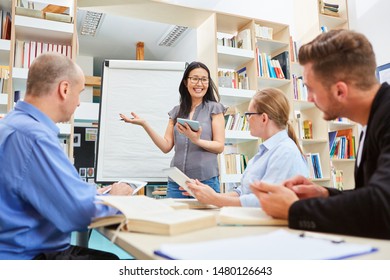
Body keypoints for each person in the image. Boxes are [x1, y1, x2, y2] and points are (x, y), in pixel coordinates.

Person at [251, 29, 390, 239]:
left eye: (311, 89)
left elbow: (382, 206)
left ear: (339, 91)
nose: (309, 99)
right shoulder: (372, 121)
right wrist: (324, 194)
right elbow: (372, 195)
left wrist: (294, 210)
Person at [0, 53, 134, 260]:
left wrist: (89, 193)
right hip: (29, 257)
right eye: (79, 93)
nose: (79, 102)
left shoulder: (11, 125)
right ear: (64, 90)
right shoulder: (35, 137)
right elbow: (77, 214)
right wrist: (116, 198)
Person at [186, 88, 309, 207]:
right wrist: (209, 194)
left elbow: (267, 200)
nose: (247, 119)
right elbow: (243, 193)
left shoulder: (285, 152)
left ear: (264, 118)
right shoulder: (265, 151)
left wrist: (215, 199)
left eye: (249, 114)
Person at [120, 61, 226, 198]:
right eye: (194, 78)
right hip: (177, 182)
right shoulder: (176, 112)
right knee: (175, 218)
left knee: (206, 219)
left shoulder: (215, 109)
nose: (199, 84)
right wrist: (145, 124)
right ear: (185, 82)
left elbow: (219, 146)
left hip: (205, 181)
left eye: (204, 79)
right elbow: (166, 146)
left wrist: (197, 140)